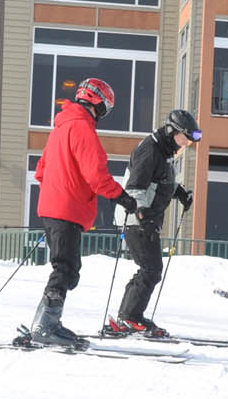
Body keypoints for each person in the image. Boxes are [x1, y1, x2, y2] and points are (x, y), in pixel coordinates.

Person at [30, 78, 137, 347]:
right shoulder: (82, 128)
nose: (105, 114)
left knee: (64, 268)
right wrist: (121, 196)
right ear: (98, 102)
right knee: (66, 270)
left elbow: (41, 171)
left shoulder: (60, 128)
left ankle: (44, 322)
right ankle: (46, 326)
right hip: (67, 209)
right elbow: (96, 174)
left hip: (53, 207)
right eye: (106, 107)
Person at [105, 108, 199, 337]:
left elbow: (161, 180)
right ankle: (130, 317)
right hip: (135, 218)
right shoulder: (150, 149)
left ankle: (128, 316)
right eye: (184, 139)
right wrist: (142, 215)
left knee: (149, 269)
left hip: (144, 218)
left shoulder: (163, 151)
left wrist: (180, 193)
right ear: (171, 131)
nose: (185, 144)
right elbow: (136, 186)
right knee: (151, 268)